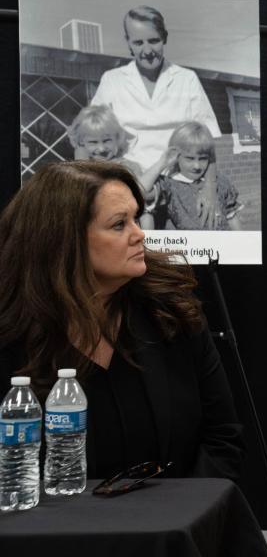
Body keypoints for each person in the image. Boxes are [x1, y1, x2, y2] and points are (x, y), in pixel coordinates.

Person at [0, 161, 244, 481]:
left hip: (172, 524)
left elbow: (223, 439)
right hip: (48, 527)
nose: (139, 234)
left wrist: (179, 516)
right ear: (62, 238)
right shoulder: (11, 333)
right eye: (119, 224)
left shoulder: (171, 311)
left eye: (136, 219)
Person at [91, 5, 222, 228]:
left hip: (180, 181)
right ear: (128, 43)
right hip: (130, 182)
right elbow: (90, 134)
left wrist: (209, 191)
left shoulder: (186, 79)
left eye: (153, 40)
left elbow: (208, 141)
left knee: (197, 246)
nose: (147, 50)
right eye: (138, 42)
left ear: (165, 38)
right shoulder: (112, 80)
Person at [67, 104, 173, 229]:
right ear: (81, 143)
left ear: (117, 139)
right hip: (94, 223)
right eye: (93, 142)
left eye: (107, 141)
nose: (101, 148)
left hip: (124, 222)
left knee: (146, 215)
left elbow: (144, 193)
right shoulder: (81, 169)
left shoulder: (127, 166)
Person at [145, 122, 243, 231]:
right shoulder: (169, 185)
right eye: (189, 158)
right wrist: (162, 163)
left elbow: (232, 218)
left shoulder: (220, 181)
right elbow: (141, 191)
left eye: (202, 158)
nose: (196, 166)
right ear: (176, 157)